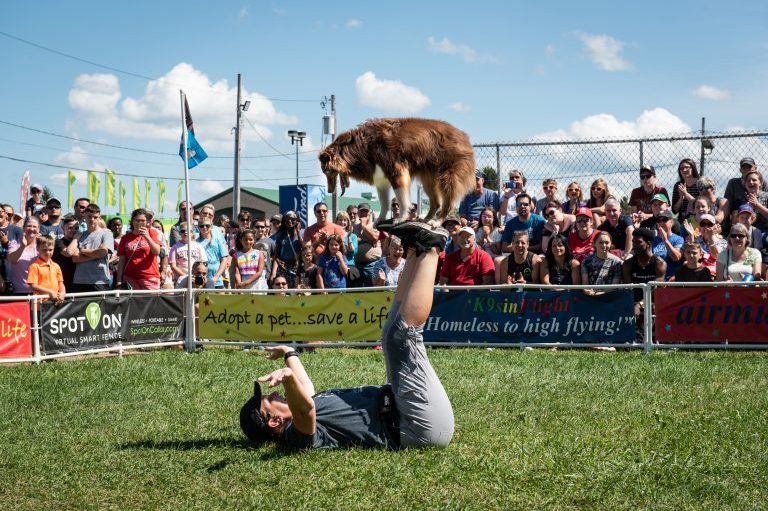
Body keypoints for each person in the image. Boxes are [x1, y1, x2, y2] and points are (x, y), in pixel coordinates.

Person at [240, 220, 455, 450]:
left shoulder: (308, 405)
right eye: (268, 400)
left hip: (405, 407)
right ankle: (432, 248)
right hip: (415, 424)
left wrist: (288, 352)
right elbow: (305, 409)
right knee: (400, 337)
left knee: (389, 333)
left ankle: (415, 249)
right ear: (274, 421)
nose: (273, 394)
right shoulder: (296, 435)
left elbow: (306, 390)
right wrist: (288, 378)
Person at [622, 228, 666, 324]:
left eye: (638, 242)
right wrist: (634, 305)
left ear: (648, 244)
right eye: (633, 242)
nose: (634, 245)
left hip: (653, 302)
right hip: (634, 302)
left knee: (652, 308)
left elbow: (654, 289)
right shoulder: (628, 264)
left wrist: (640, 305)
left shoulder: (659, 264)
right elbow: (628, 289)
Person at [116, 208, 162, 290]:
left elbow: (156, 252)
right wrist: (119, 280)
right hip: (130, 278)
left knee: (151, 298)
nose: (139, 223)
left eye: (143, 220)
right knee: (132, 299)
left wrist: (147, 237)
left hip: (149, 278)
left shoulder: (152, 233)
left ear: (147, 222)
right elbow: (122, 260)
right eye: (137, 220)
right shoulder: (125, 238)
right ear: (132, 221)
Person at [72, 204, 114, 293]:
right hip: (80, 281)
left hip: (100, 281)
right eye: (89, 216)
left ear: (99, 217)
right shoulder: (80, 235)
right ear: (84, 216)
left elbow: (102, 253)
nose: (92, 219)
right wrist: (96, 254)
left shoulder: (106, 233)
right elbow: (75, 258)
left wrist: (82, 251)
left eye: (95, 217)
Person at [7, 216, 41, 295]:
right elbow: (12, 260)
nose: (32, 229)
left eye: (35, 227)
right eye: (29, 226)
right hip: (19, 292)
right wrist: (22, 246)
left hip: (38, 291)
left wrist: (41, 245)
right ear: (23, 228)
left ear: (39, 229)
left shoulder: (41, 245)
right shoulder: (14, 243)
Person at [26, 235, 65, 304]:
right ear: (37, 249)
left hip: (55, 302)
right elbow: (33, 286)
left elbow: (60, 283)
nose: (48, 252)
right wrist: (50, 292)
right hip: (40, 304)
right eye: (44, 250)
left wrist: (62, 292)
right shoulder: (34, 266)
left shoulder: (56, 266)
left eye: (50, 250)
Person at [352, 203, 382, 287]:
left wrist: (364, 226)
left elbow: (375, 238)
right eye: (361, 211)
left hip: (372, 264)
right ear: (358, 213)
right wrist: (366, 239)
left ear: (370, 213)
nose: (363, 213)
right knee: (358, 291)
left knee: (372, 290)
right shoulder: (354, 227)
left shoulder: (376, 225)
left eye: (366, 211)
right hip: (357, 265)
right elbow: (353, 241)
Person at [271, 211, 304, 288]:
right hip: (284, 268)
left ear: (297, 221)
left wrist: (298, 233)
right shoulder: (280, 235)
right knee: (284, 289)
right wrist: (278, 261)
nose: (290, 221)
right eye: (287, 219)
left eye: (293, 219)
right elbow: (277, 253)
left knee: (297, 289)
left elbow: (304, 247)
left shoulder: (303, 232)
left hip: (298, 267)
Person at [197, 219, 231, 289]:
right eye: (202, 226)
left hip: (218, 281)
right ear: (198, 228)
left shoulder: (217, 240)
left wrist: (216, 277)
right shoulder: (196, 242)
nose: (204, 227)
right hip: (201, 282)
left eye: (207, 225)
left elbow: (224, 259)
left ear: (211, 227)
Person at [652, 210, 684, 280]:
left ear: (672, 222)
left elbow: (676, 258)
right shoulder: (653, 240)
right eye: (659, 220)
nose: (661, 223)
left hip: (671, 280)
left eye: (664, 220)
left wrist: (666, 241)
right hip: (656, 280)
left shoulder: (678, 239)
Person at [335, 211, 359, 286]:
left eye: (345, 220)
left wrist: (348, 238)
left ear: (348, 222)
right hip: (335, 266)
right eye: (340, 220)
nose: (342, 222)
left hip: (349, 266)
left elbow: (353, 253)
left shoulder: (353, 236)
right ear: (336, 221)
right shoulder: (333, 236)